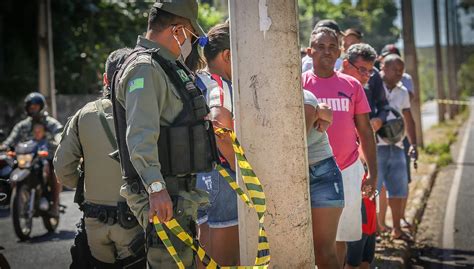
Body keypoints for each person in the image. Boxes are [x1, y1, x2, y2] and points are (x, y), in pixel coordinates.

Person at [111, 1, 218, 268]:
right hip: (164, 193)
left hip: (176, 193)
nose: (191, 44)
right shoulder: (145, 68)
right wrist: (156, 188)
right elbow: (140, 134)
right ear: (178, 30)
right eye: (192, 37)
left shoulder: (163, 65)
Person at [54, 48, 145, 268]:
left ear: (105, 79)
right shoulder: (144, 113)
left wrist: (89, 186)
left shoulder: (83, 115)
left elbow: (63, 170)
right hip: (135, 221)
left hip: (94, 222)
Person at [302, 27, 377, 267]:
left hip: (347, 170)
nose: (326, 51)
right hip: (311, 171)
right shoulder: (297, 85)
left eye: (332, 46)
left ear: (339, 52)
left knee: (341, 237)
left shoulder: (352, 85)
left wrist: (372, 174)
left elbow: (365, 131)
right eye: (320, 47)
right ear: (310, 51)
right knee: (316, 240)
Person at [193, 21, 239, 267]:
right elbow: (219, 122)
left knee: (206, 256)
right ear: (227, 55)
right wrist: (240, 169)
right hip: (222, 176)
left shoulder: (194, 78)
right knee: (227, 261)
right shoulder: (219, 84)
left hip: (198, 175)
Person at [340, 43, 382, 268]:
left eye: (370, 71)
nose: (366, 76)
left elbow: (366, 135)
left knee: (366, 241)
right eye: (361, 69)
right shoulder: (333, 88)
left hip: (361, 173)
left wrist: (371, 174)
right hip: (343, 176)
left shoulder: (361, 91)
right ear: (346, 64)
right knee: (349, 245)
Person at [1, 92, 63, 216]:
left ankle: (55, 205)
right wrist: (4, 146)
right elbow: (11, 139)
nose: (32, 109)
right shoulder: (23, 125)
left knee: (55, 173)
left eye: (35, 107)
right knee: (12, 169)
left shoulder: (49, 122)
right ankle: (20, 198)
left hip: (46, 157)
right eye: (30, 107)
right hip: (27, 158)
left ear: (41, 107)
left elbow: (59, 131)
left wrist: (59, 139)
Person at [377, 54, 418, 241]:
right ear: (383, 67)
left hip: (398, 146)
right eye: (395, 70)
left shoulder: (402, 92)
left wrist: (413, 144)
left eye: (401, 70)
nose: (400, 74)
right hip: (376, 147)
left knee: (398, 190)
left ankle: (396, 229)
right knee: (372, 190)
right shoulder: (372, 87)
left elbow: (408, 118)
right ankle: (374, 229)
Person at [302, 88, 344, 269]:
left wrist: (321, 111)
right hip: (287, 175)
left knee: (323, 252)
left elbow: (295, 143)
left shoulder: (306, 99)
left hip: (322, 174)